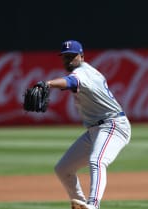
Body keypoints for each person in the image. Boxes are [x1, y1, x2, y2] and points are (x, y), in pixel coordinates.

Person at [38, 40, 131, 209]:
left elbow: (71, 82)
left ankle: (93, 205)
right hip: (95, 130)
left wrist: (48, 84)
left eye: (71, 56)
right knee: (63, 169)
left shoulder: (83, 73)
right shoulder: (85, 72)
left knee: (97, 160)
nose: (67, 60)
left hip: (113, 125)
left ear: (81, 56)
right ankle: (80, 204)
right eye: (65, 57)